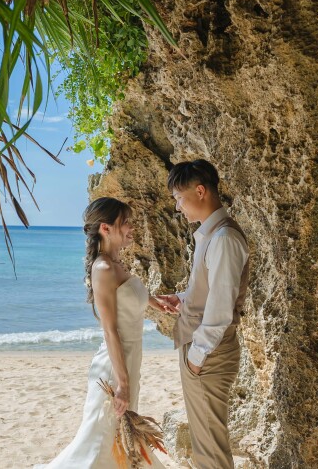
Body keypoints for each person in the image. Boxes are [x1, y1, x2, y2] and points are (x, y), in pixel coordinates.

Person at [36, 197, 172, 469]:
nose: (131, 228)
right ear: (105, 228)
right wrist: (122, 384)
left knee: (119, 437)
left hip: (130, 359)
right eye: (125, 223)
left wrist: (156, 302)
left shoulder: (117, 263)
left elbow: (128, 300)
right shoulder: (104, 268)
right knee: (100, 439)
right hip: (114, 365)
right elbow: (110, 331)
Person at [155, 160, 250, 469]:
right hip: (203, 351)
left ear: (200, 191)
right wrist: (183, 300)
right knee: (205, 443)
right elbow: (214, 292)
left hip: (208, 355)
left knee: (210, 449)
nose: (178, 208)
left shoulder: (223, 238)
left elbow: (221, 308)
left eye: (179, 198)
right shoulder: (211, 235)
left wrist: (196, 356)